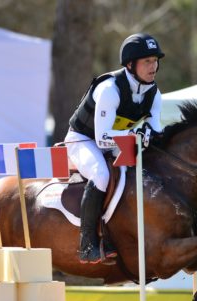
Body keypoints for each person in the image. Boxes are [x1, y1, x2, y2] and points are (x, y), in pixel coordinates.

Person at [65, 33, 164, 264]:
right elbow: (102, 139)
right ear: (130, 64)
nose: (154, 67)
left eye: (155, 60)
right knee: (101, 175)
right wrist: (136, 135)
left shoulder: (154, 94)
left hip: (115, 144)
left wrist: (149, 135)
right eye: (147, 61)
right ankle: (87, 243)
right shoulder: (110, 89)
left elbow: (155, 132)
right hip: (83, 140)